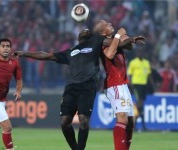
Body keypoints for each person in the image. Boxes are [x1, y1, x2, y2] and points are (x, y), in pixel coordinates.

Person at [12, 21, 128, 150]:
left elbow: (118, 44)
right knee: (64, 122)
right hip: (71, 87)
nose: (84, 30)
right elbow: (46, 55)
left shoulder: (95, 41)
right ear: (78, 38)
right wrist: (24, 53)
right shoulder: (71, 51)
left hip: (88, 85)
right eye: (82, 31)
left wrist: (129, 39)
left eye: (86, 31)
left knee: (83, 120)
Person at [100, 28, 145, 150]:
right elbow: (110, 54)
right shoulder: (103, 42)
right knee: (122, 118)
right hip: (114, 84)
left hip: (123, 84)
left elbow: (128, 46)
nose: (110, 25)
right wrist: (121, 34)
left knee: (131, 121)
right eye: (107, 24)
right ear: (103, 31)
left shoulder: (115, 39)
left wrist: (127, 37)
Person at [127, 47, 151, 131]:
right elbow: (129, 74)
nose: (140, 54)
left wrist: (151, 85)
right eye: (139, 52)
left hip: (144, 85)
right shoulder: (133, 62)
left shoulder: (146, 63)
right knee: (140, 103)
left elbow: (148, 75)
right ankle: (138, 124)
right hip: (136, 85)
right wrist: (130, 84)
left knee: (141, 104)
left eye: (142, 52)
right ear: (137, 54)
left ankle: (137, 124)